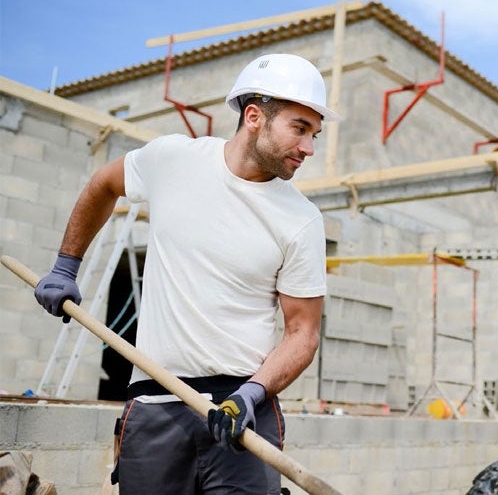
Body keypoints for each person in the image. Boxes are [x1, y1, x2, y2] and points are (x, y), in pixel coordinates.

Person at [33, 53, 339, 494]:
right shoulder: (173, 160)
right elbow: (103, 184)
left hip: (242, 413)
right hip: (155, 405)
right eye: (299, 128)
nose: (309, 148)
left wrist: (251, 396)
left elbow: (302, 333)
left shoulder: (301, 221)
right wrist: (66, 265)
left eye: (315, 133)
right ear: (254, 116)